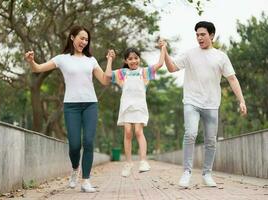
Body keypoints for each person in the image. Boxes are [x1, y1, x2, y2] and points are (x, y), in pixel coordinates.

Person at [24, 25, 115, 193]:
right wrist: (31, 61)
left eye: (86, 39)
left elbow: (105, 80)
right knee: (74, 145)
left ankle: (86, 180)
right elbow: (38, 68)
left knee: (88, 142)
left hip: (90, 104)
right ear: (72, 38)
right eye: (81, 38)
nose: (84, 42)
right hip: (71, 105)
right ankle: (75, 169)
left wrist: (109, 60)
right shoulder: (62, 59)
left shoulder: (91, 60)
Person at [163, 21, 247, 187]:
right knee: (191, 133)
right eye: (197, 34)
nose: (199, 37)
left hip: (211, 104)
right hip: (191, 101)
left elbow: (232, 79)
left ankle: (207, 174)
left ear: (211, 36)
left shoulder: (221, 57)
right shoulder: (189, 54)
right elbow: (172, 68)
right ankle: (186, 172)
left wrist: (241, 100)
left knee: (210, 141)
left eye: (202, 34)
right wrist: (164, 51)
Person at [111, 41, 166, 177]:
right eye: (130, 59)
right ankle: (128, 163)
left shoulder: (144, 72)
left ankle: (143, 161)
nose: (133, 61)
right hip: (126, 107)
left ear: (139, 59)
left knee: (138, 131)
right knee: (128, 132)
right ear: (126, 60)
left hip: (140, 107)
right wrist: (110, 60)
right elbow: (107, 75)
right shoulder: (123, 73)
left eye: (136, 58)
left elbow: (160, 64)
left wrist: (163, 48)